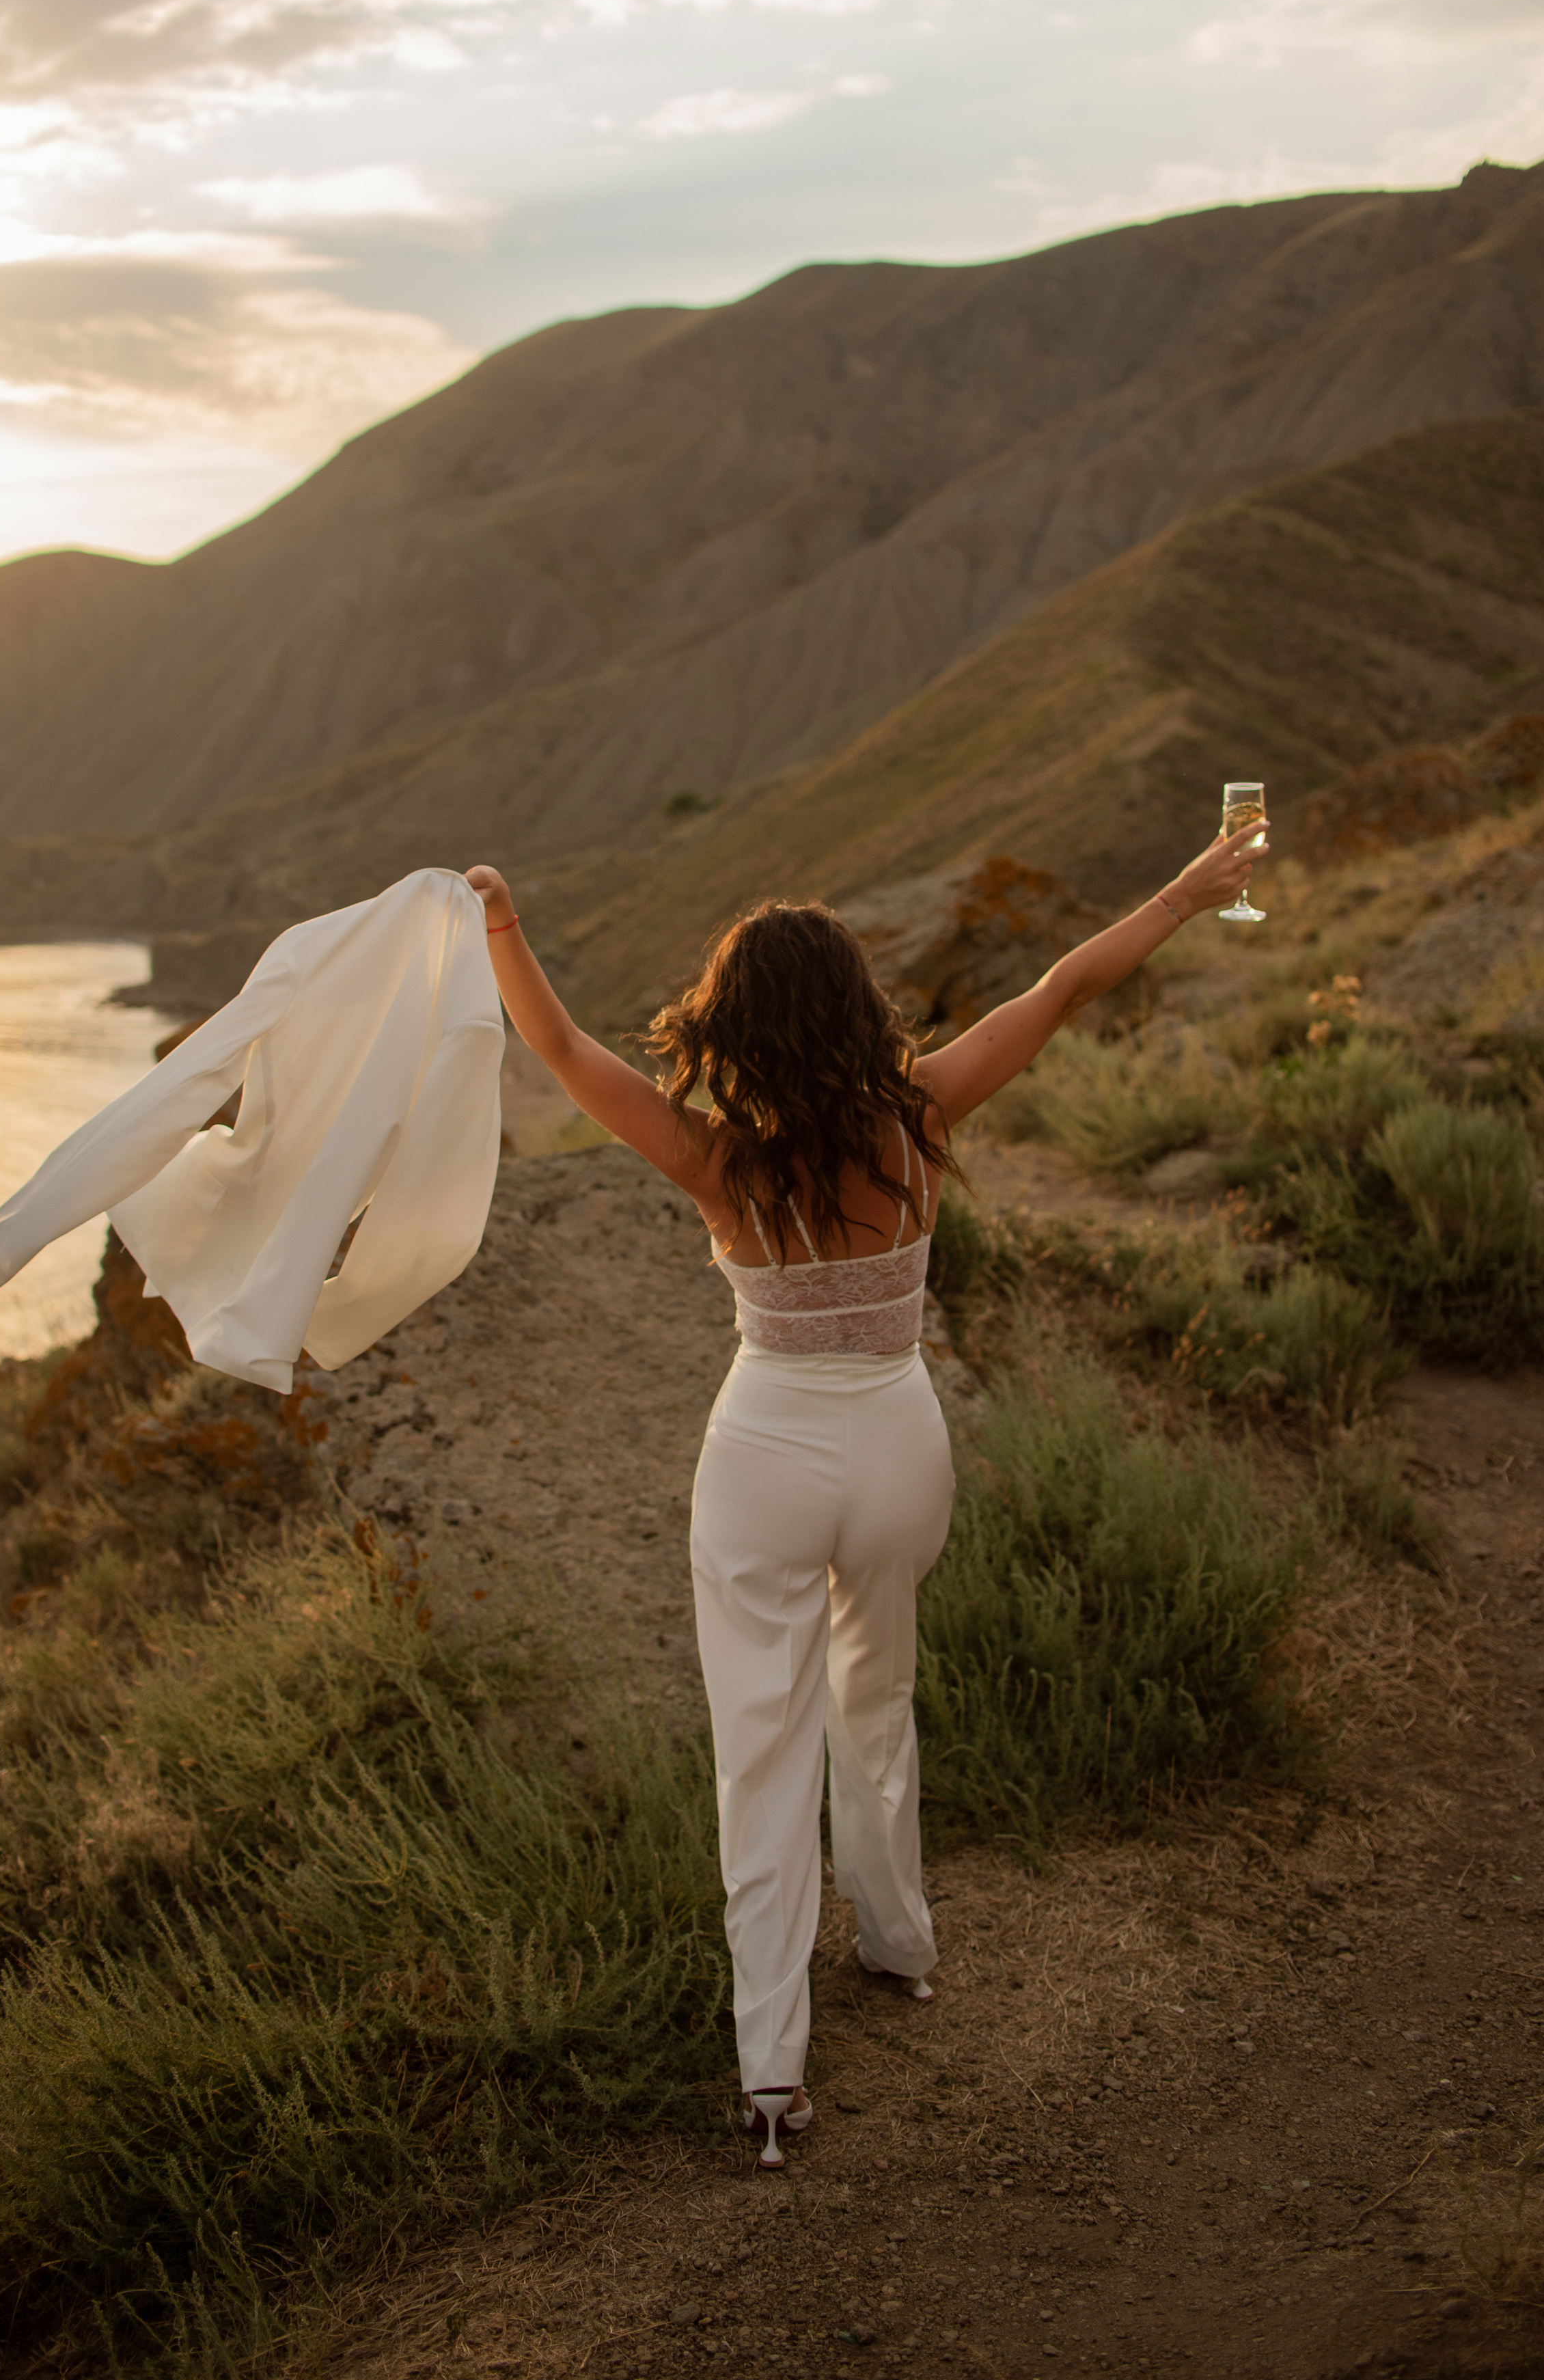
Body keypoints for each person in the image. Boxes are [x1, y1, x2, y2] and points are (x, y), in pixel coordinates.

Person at [464, 819, 1267, 2168]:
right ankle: (897, 1945)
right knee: (874, 1699)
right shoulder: (922, 1118)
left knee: (758, 1756)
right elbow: (1064, 985)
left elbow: (554, 1051)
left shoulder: (712, 1157)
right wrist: (1187, 892)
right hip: (898, 1447)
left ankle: (771, 2078)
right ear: (853, 1012)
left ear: (733, 1029)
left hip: (765, 1457)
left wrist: (499, 923)